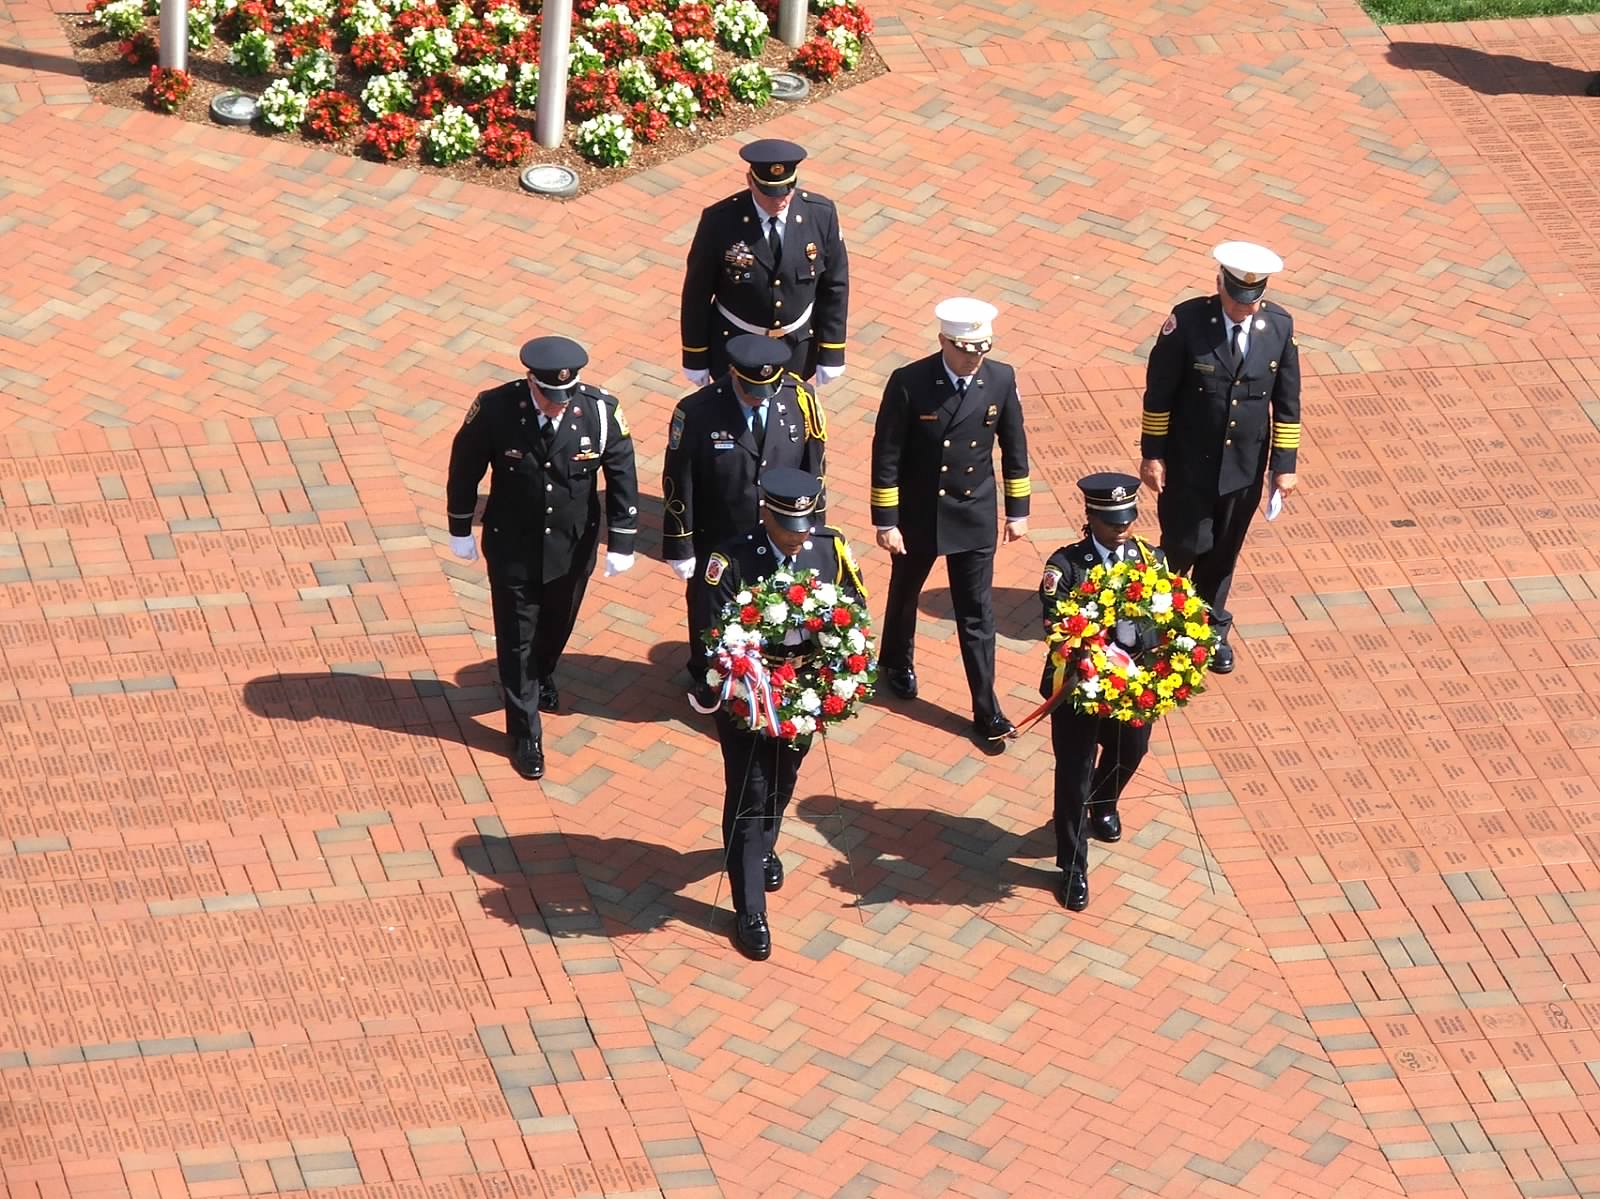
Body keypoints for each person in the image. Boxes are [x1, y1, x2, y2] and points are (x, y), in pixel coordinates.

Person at [446, 336, 639, 781]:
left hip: (572, 548)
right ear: (530, 381)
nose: (556, 406)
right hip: (513, 545)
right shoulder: (496, 408)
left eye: (564, 397)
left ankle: (544, 670)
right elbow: (465, 466)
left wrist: (623, 539)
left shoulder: (599, 412)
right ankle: (524, 733)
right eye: (548, 396)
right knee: (516, 636)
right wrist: (460, 527)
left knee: (557, 623)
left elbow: (622, 473)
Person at [703, 468, 867, 961]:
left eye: (807, 524)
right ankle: (749, 908)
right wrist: (749, 683)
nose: (801, 537)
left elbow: (853, 609)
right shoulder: (729, 559)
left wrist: (836, 673)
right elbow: (711, 633)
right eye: (790, 527)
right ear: (766, 516)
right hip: (747, 695)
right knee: (750, 789)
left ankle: (762, 844)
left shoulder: (828, 549)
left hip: (805, 690)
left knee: (783, 777)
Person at [869, 297, 1030, 746]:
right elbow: (887, 455)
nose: (975, 356)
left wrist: (1018, 511)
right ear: (943, 341)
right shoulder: (909, 382)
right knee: (905, 593)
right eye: (966, 348)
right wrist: (887, 520)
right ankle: (896, 661)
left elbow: (1014, 450)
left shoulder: (1000, 379)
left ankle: (987, 708)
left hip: (973, 513)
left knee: (977, 614)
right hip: (919, 514)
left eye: (982, 347)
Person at [1139, 241, 1301, 674]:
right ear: (1219, 285)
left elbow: (1287, 400)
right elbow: (1159, 394)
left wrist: (1284, 465)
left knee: (1223, 551)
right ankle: (1160, 619)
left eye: (1251, 302)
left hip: (1244, 467)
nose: (1242, 310)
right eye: (1234, 299)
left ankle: (1209, 628)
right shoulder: (1188, 323)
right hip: (1189, 463)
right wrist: (1152, 455)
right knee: (1185, 544)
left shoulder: (1279, 327)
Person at [663, 334, 828, 702]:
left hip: (776, 532)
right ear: (734, 373)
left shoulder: (800, 401)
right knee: (711, 611)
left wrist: (813, 524)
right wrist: (680, 543)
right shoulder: (698, 410)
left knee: (772, 605)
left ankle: (763, 678)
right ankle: (708, 677)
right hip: (719, 533)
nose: (760, 396)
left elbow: (813, 466)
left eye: (767, 387)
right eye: (752, 388)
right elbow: (679, 478)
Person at [1038, 473, 1160, 912]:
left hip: (1131, 686)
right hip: (1079, 689)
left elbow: (1164, 615)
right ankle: (1072, 866)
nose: (1122, 528)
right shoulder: (1066, 566)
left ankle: (1104, 801)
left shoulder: (1150, 560)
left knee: (1133, 750)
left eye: (1127, 518)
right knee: (1073, 775)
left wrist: (1144, 647)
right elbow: (1056, 625)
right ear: (1090, 518)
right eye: (1111, 521)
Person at [679, 138, 849, 388]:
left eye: (787, 190)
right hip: (736, 349)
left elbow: (835, 286)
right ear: (750, 181)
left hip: (796, 350)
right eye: (769, 193)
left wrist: (832, 351)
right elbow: (696, 293)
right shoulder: (720, 221)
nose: (779, 200)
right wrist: (695, 356)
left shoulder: (820, 215)